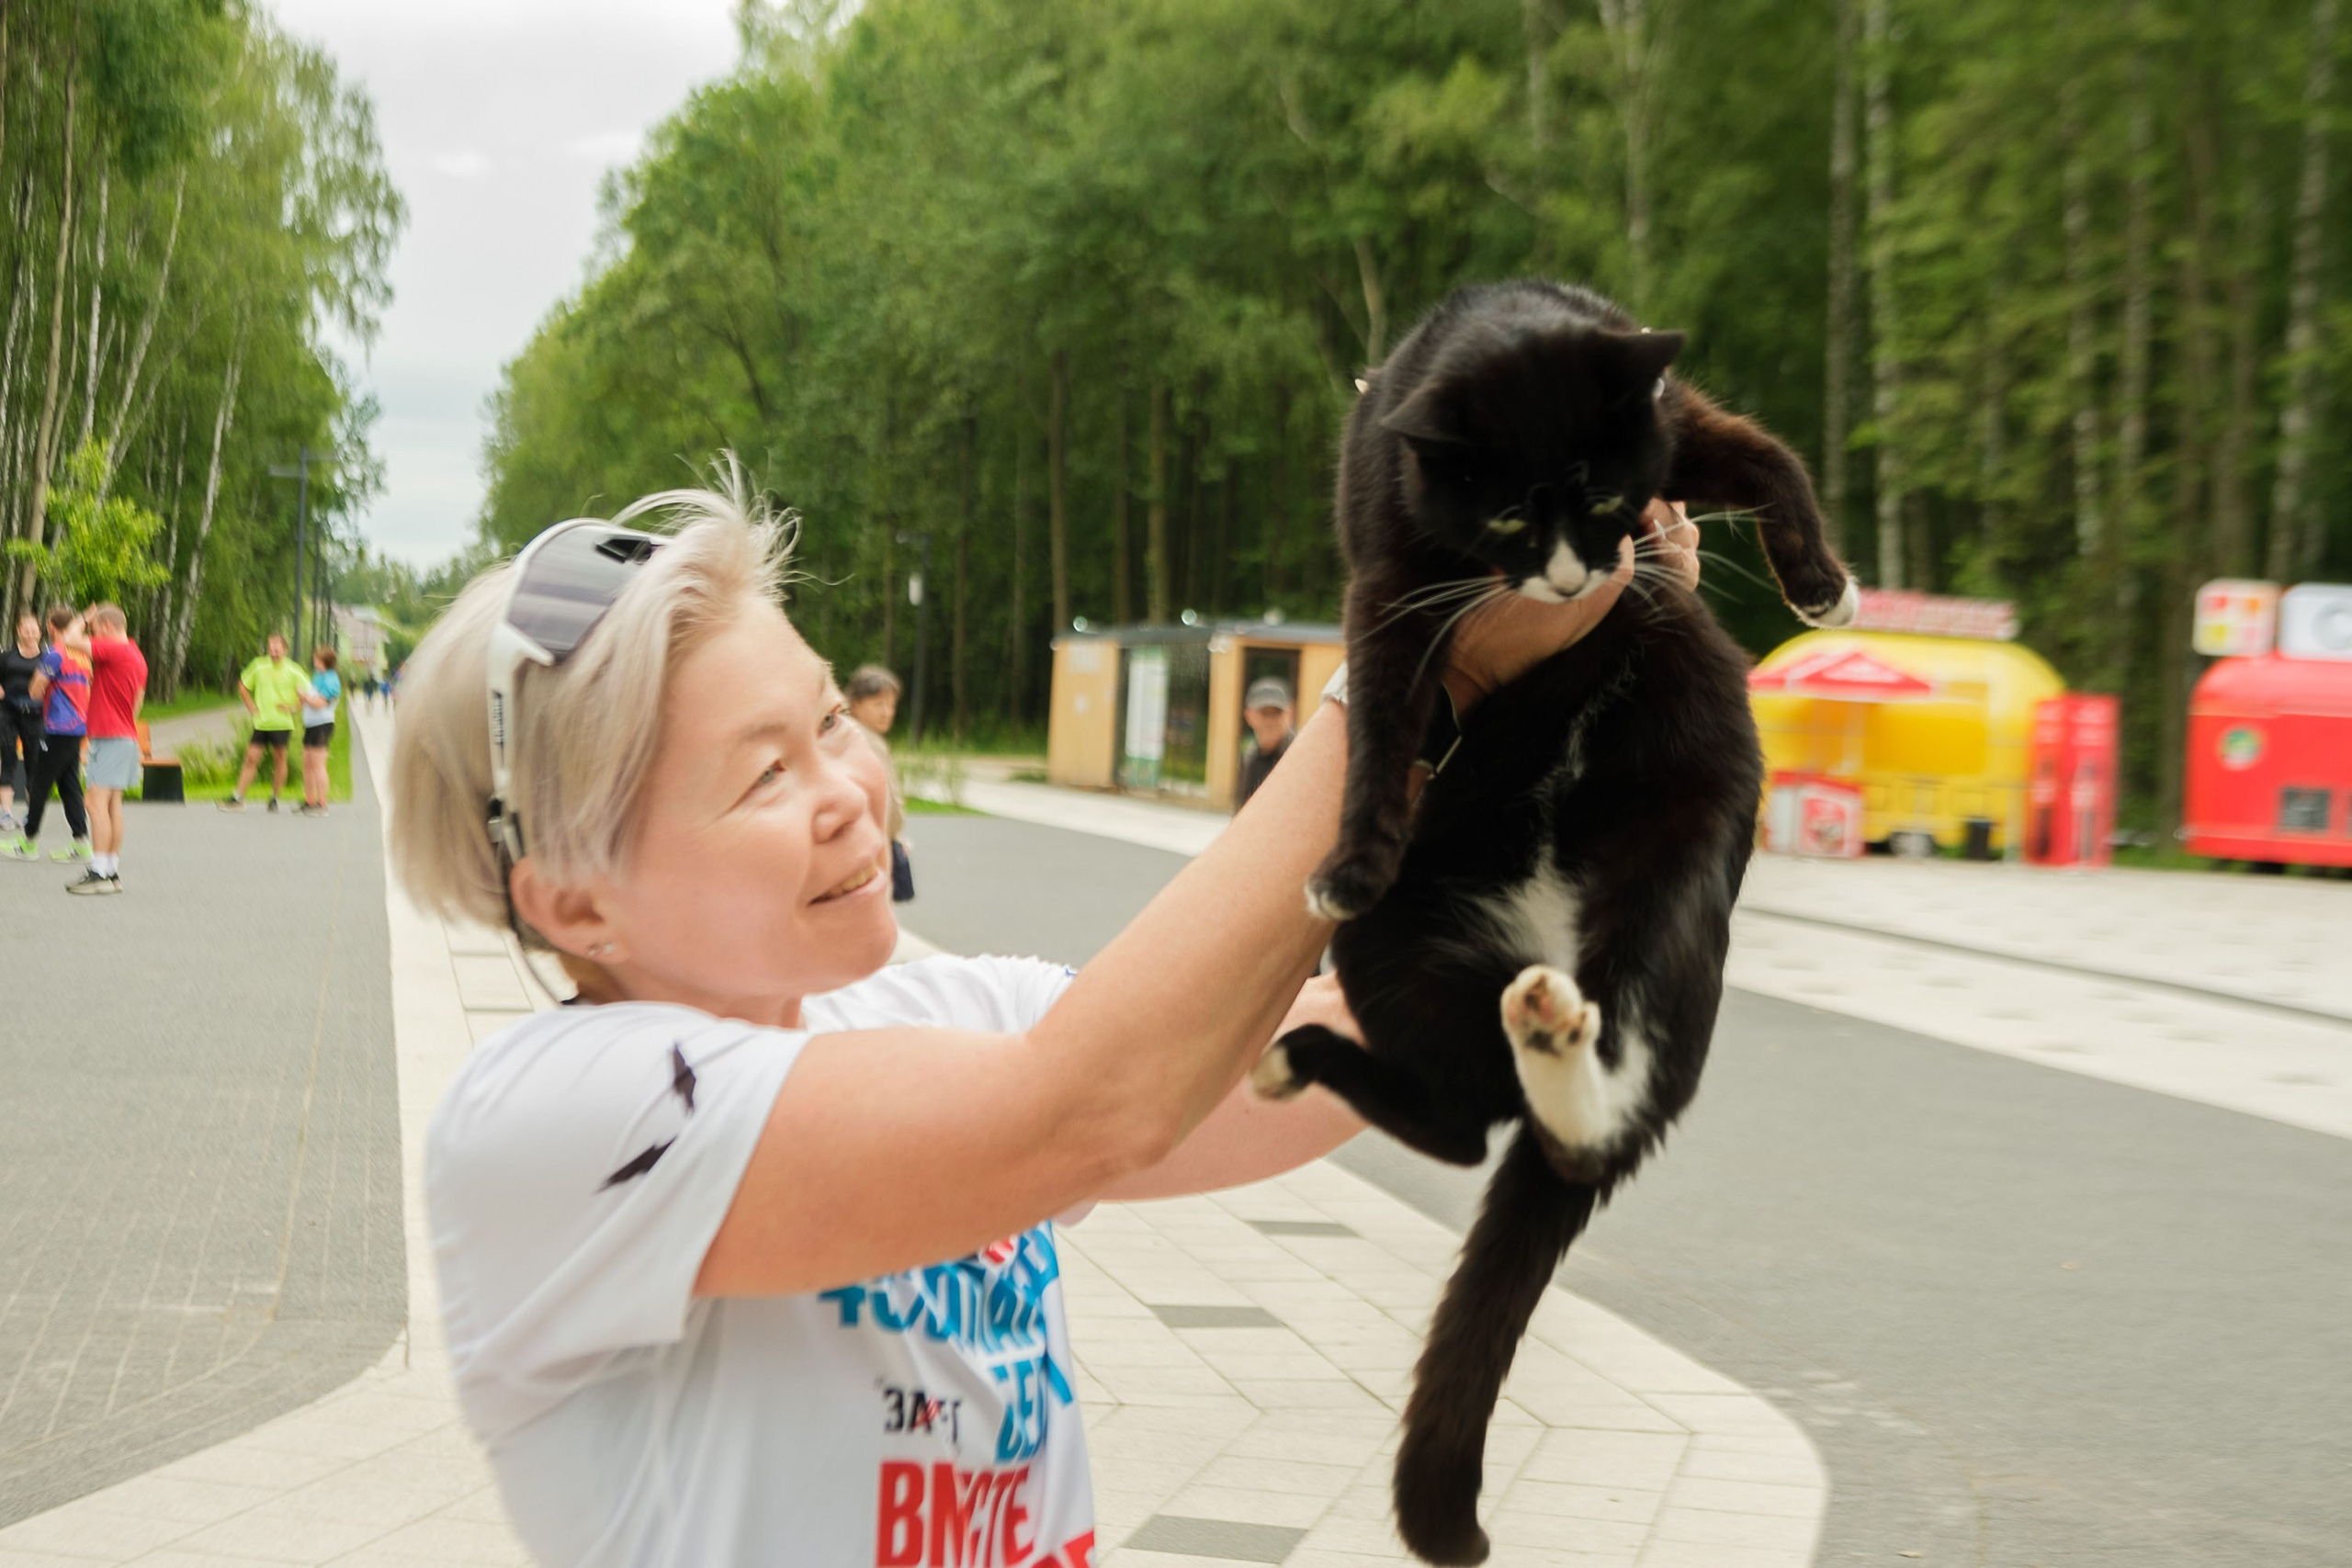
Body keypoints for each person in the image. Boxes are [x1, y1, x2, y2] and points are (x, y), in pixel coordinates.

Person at [387, 469, 1694, 1565]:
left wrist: (1570, 713)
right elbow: (1091, 1106)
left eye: (831, 716)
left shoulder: (945, 1007)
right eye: (763, 772)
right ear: (574, 900)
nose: (846, 785)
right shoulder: (557, 1120)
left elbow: (1274, 1056)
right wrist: (1413, 674)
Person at [64, 604, 149, 895]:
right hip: (125, 735)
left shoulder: (115, 649)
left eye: (96, 631)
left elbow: (69, 639)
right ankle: (111, 870)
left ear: (108, 628)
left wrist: (83, 618)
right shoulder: (137, 657)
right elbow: (138, 701)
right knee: (113, 806)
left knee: (94, 803)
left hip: (110, 737)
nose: (93, 635)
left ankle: (99, 873)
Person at [8, 606, 92, 864]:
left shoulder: (55, 654)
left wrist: (38, 686)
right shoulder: (82, 656)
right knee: (69, 786)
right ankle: (81, 842)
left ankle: (28, 842)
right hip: (78, 726)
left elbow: (35, 690)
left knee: (40, 783)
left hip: (58, 727)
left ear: (51, 627)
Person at [220, 633, 311, 812]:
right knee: (250, 759)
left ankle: (275, 798)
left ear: (285, 649)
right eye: (271, 649)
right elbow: (243, 686)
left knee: (279, 759)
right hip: (261, 722)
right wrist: (251, 706)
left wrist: (294, 708)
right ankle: (238, 797)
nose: (274, 652)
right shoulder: (259, 665)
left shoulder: (294, 670)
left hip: (281, 723)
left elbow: (307, 694)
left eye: (277, 649)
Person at [845, 663, 912, 900]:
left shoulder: (869, 738)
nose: (887, 712)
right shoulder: (858, 739)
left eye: (891, 705)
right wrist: (891, 832)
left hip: (881, 841)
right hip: (870, 848)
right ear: (855, 704)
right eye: (878, 704)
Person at [1, 615, 42, 834]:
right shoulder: (7, 656)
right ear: (18, 631)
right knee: (7, 759)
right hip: (7, 713)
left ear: (40, 632)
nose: (29, 632)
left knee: (33, 764)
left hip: (35, 716)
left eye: (33, 629)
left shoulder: (46, 657)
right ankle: (6, 813)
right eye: (25, 628)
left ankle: (30, 814)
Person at [1234, 676, 1295, 810]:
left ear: (1290, 714)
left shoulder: (1300, 756)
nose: (1270, 720)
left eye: (1277, 713)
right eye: (1265, 713)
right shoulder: (1249, 758)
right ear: (1249, 716)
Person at [296, 646, 342, 817]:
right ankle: (310, 801)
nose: (314, 661)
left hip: (322, 724)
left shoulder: (331, 679)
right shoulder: (318, 677)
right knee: (307, 762)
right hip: (311, 723)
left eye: (317, 659)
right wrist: (302, 699)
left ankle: (322, 803)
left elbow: (319, 703)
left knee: (317, 764)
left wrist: (304, 696)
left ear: (325, 661)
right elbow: (310, 700)